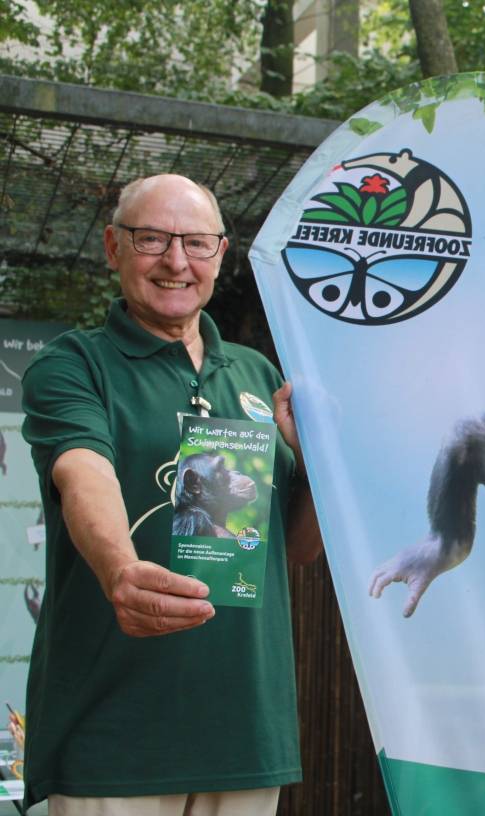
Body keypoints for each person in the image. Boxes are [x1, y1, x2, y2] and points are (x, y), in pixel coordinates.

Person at [20, 174, 323, 815]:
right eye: (152, 238)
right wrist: (120, 570)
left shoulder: (258, 374)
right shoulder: (74, 365)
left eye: (196, 243)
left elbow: (296, 548)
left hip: (243, 730)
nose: (176, 261)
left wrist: (321, 467)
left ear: (221, 253)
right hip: (113, 736)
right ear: (113, 247)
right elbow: (84, 474)